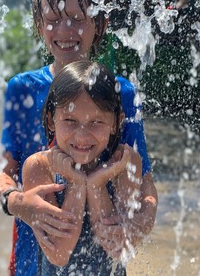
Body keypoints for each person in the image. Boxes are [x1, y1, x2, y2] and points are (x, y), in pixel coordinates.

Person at [0, 0, 158, 275]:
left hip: (103, 255)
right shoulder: (22, 88)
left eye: (77, 18)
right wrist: (17, 203)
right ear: (39, 24)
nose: (65, 31)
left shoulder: (122, 93)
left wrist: (138, 226)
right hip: (34, 254)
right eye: (53, 19)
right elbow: (5, 173)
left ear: (99, 23)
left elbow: (143, 181)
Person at [22, 60, 143, 275]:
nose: (82, 135)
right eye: (70, 120)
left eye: (96, 122)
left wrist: (97, 185)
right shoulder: (40, 167)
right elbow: (59, 254)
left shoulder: (124, 164)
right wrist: (77, 183)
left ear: (116, 123)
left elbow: (116, 248)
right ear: (51, 120)